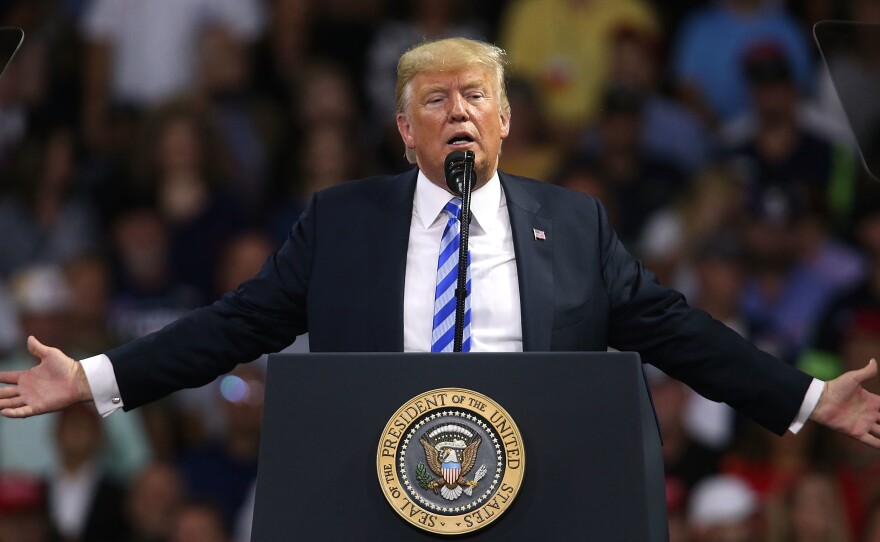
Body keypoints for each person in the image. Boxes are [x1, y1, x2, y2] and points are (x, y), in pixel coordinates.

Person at [0, 38, 879, 452]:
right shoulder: (342, 223)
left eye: (472, 98)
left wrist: (809, 399)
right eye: (434, 100)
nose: (456, 111)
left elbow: (678, 331)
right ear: (402, 130)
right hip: (378, 479)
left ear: (503, 121)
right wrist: (92, 379)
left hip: (538, 480)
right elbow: (235, 326)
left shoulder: (573, 225)